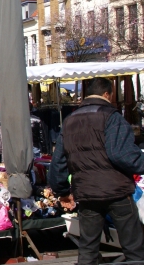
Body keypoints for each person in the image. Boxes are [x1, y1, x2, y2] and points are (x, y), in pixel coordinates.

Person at [49, 77, 144, 264]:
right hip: (116, 191)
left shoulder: (69, 121)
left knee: (88, 249)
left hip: (87, 194)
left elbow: (57, 162)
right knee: (134, 249)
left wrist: (62, 191)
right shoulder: (112, 117)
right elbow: (121, 155)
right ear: (107, 94)